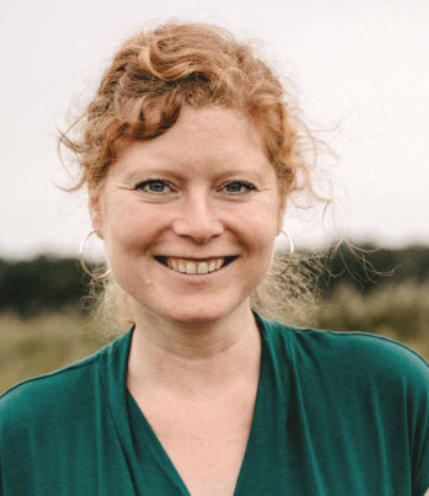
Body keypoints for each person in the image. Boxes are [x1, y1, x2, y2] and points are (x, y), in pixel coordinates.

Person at [0, 21, 428, 496]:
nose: (200, 225)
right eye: (156, 186)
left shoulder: (390, 397)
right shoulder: (22, 438)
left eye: (235, 187)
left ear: (280, 205)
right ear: (97, 205)